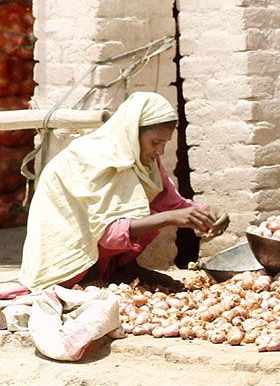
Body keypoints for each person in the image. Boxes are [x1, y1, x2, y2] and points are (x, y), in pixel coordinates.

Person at [1, 92, 228, 299]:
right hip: (65, 257)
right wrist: (171, 218)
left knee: (151, 208)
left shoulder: (144, 162)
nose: (160, 152)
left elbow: (172, 203)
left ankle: (122, 268)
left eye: (164, 144)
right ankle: (90, 274)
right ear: (131, 132)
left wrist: (207, 213)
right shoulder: (92, 158)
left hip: (99, 246)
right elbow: (107, 233)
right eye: (155, 143)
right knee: (148, 216)